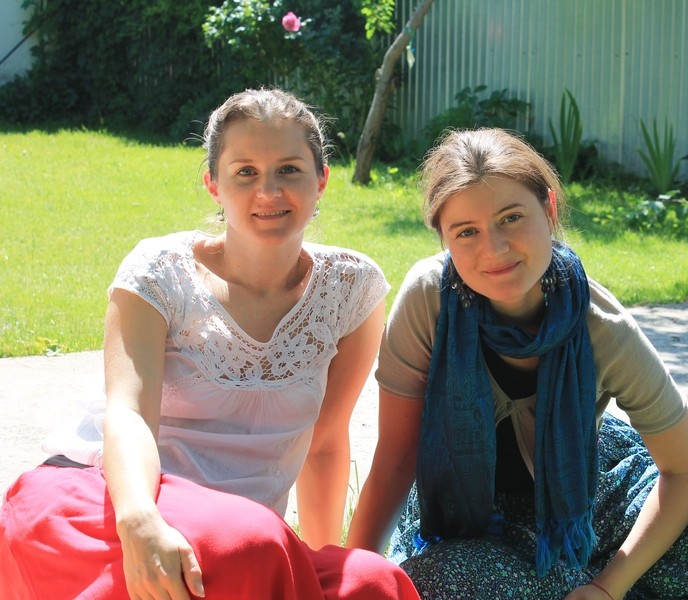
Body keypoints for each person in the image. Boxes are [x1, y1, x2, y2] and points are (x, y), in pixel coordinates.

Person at [346, 128, 688, 599]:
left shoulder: (598, 325)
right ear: (443, 239)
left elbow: (686, 470)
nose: (493, 249)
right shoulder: (429, 300)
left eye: (511, 218)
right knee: (442, 581)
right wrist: (351, 579)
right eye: (466, 232)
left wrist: (609, 587)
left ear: (549, 208)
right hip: (469, 518)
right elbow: (396, 459)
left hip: (587, 494)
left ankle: (585, 576)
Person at [0, 88, 419, 600]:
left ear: (322, 180)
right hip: (112, 502)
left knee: (374, 582)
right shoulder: (159, 272)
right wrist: (141, 522)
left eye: (289, 169)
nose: (268, 191)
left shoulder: (351, 287)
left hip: (242, 546)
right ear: (213, 185)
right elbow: (128, 413)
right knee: (247, 540)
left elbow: (325, 442)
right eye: (245, 172)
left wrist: (316, 565)